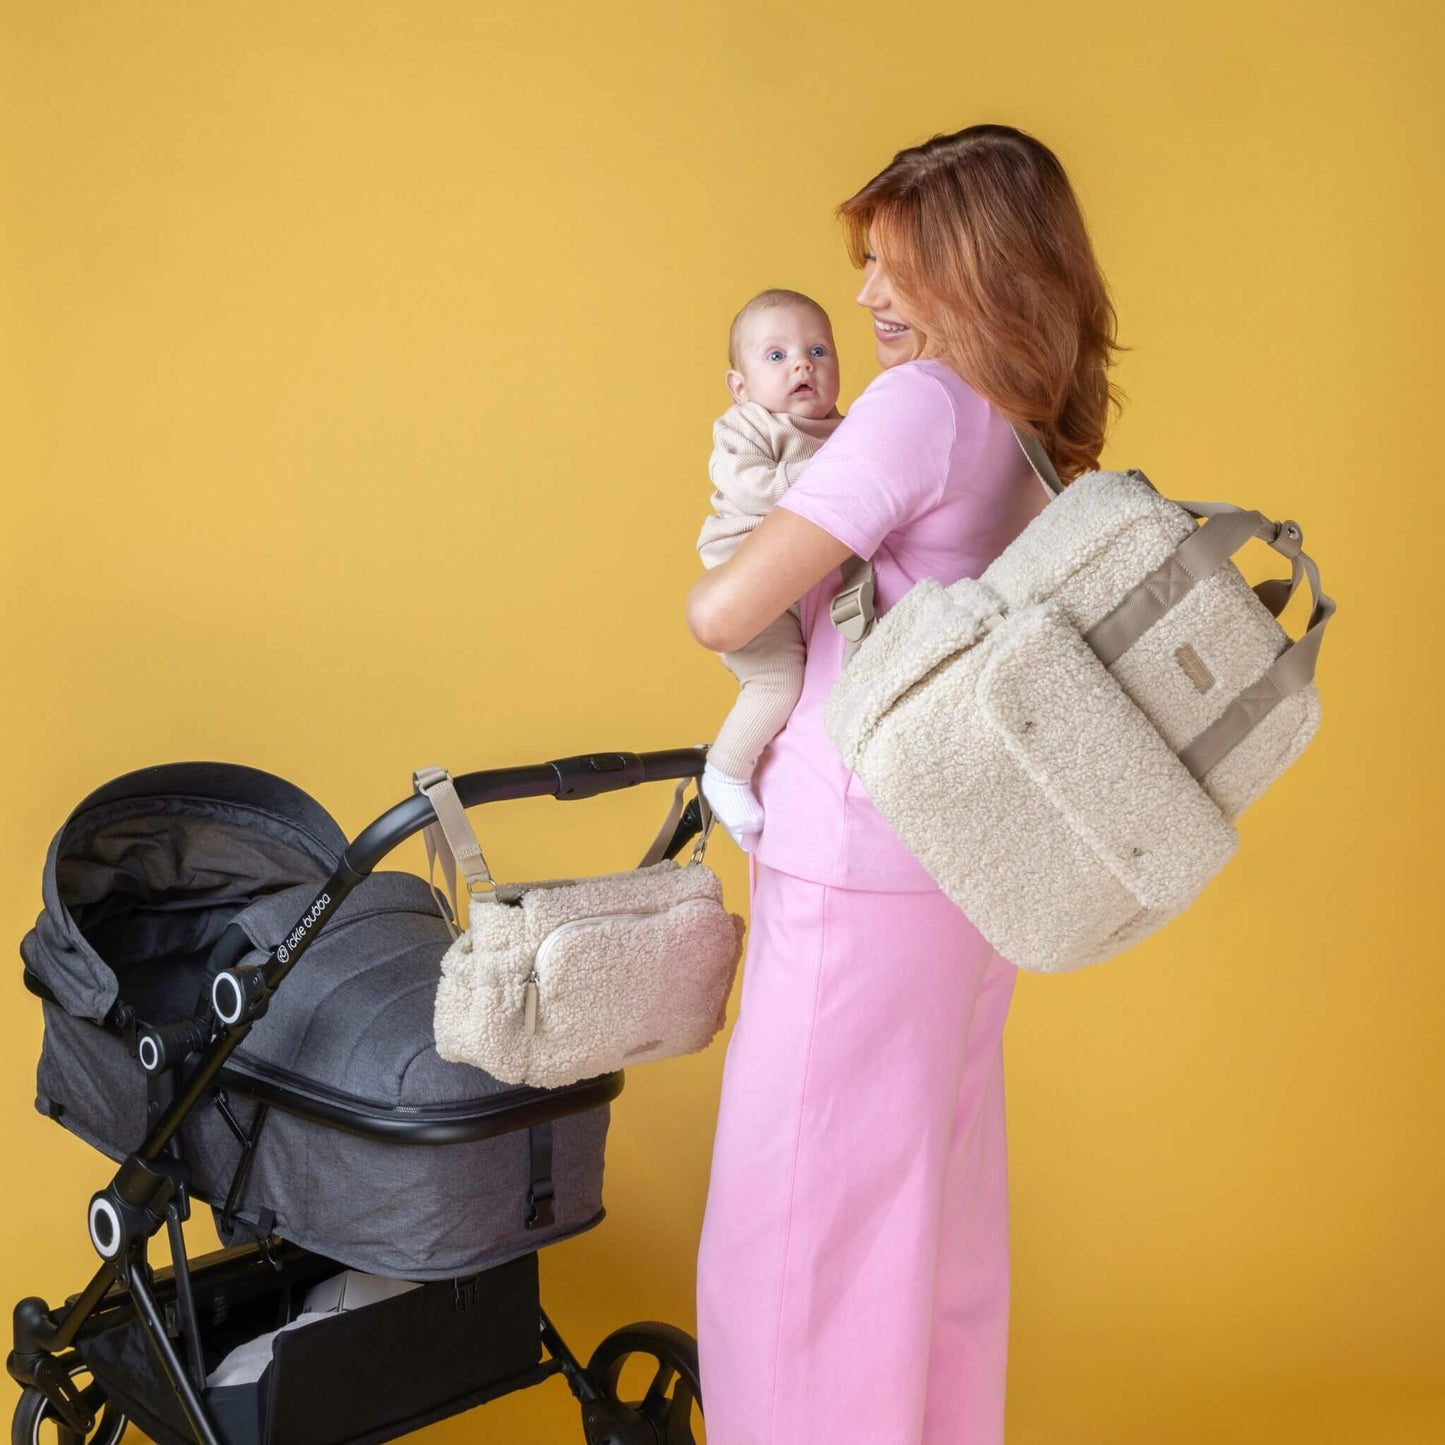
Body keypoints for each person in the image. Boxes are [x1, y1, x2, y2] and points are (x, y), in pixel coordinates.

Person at [685, 122, 1126, 1445]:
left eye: (894, 262)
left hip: (851, 857)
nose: (864, 296)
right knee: (930, 1231)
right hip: (963, 860)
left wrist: (760, 485)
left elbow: (722, 611)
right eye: (862, 263)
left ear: (977, 264)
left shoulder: (918, 403)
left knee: (795, 1244)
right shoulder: (1027, 409)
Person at [694, 288, 845, 850]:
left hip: (804, 581)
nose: (803, 364)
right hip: (747, 579)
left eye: (819, 351)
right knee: (776, 680)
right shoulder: (747, 426)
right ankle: (726, 771)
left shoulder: (850, 431)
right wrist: (812, 485)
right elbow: (746, 486)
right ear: (741, 387)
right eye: (777, 356)